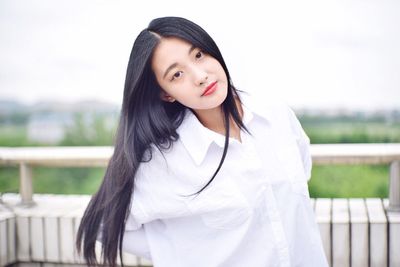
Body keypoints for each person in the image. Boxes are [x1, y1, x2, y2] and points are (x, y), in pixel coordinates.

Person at [76, 16, 329, 267]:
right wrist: (176, 251)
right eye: (176, 74)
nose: (199, 76)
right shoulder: (164, 161)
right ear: (166, 93)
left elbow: (300, 176)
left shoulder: (275, 114)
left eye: (198, 55)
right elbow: (101, 226)